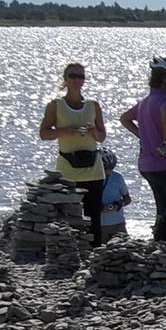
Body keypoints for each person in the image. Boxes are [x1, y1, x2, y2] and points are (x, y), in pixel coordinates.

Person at [38, 62, 108, 244]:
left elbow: (102, 137)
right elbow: (44, 133)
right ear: (66, 79)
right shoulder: (56, 105)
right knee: (69, 217)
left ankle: (93, 257)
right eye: (73, 76)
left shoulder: (93, 105)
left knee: (93, 218)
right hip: (68, 169)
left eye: (81, 76)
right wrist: (63, 131)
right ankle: (69, 256)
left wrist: (93, 131)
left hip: (93, 169)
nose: (77, 80)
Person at [120, 56, 166, 217]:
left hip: (148, 167)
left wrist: (143, 136)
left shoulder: (145, 101)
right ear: (164, 79)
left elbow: (124, 118)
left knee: (164, 212)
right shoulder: (165, 102)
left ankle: (161, 240)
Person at [97, 148, 132, 241]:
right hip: (99, 225)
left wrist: (119, 204)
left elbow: (127, 198)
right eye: (105, 168)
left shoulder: (117, 177)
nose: (108, 171)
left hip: (118, 223)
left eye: (111, 167)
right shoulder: (90, 179)